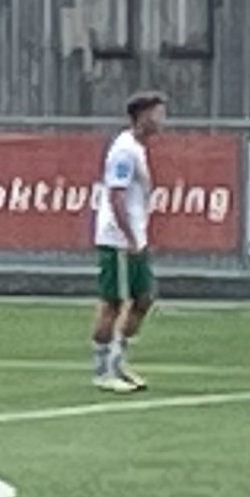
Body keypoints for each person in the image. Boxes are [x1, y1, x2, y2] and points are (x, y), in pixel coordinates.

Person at [91, 90, 163, 393]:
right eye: (157, 114)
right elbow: (115, 195)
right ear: (142, 116)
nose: (161, 120)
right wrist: (128, 236)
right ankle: (103, 370)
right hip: (118, 239)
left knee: (143, 298)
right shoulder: (124, 151)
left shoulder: (137, 148)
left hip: (135, 237)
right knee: (114, 302)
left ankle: (117, 360)